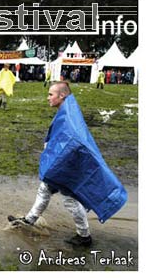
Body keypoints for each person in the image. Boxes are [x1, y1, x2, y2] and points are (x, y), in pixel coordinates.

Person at [8, 81, 127, 247]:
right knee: (44, 189)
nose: (48, 97)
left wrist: (60, 161)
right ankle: (29, 220)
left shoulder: (69, 114)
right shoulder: (66, 110)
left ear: (62, 95)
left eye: (51, 94)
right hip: (63, 164)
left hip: (66, 166)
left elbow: (74, 140)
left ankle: (84, 235)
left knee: (69, 199)